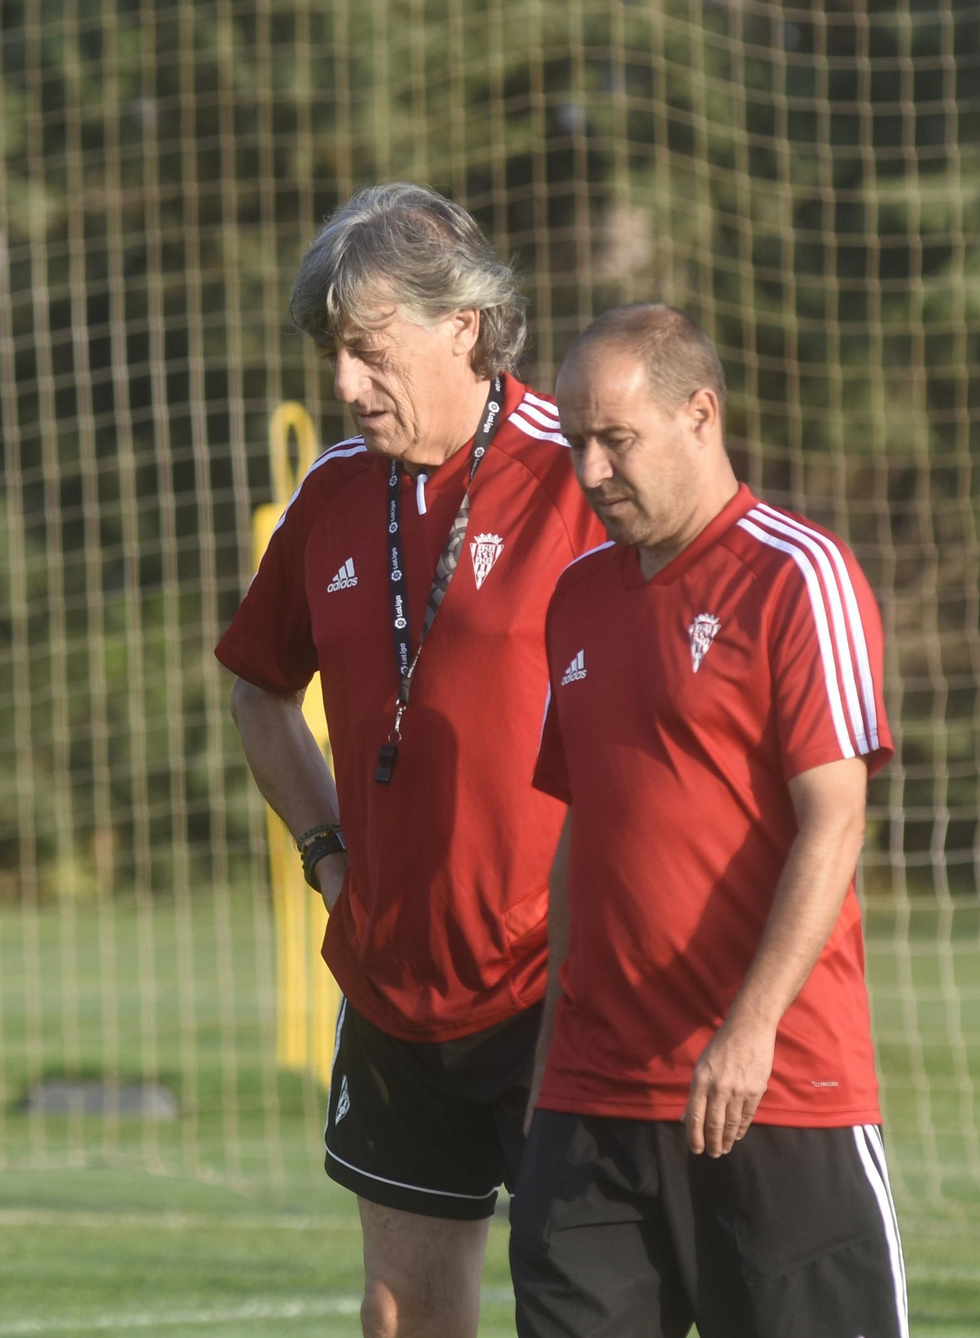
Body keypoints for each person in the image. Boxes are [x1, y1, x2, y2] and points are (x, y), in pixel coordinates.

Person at [215, 183, 605, 1338]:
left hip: (554, 986)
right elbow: (258, 691)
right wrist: (326, 852)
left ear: (464, 329)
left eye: (365, 350)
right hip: (391, 987)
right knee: (400, 1319)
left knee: (584, 1310)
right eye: (333, 353)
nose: (342, 382)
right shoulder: (334, 494)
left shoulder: (579, 479)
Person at [509, 303, 907, 1338]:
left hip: (771, 1093)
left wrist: (750, 1028)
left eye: (616, 440)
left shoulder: (794, 574)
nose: (591, 472)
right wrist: (551, 1041)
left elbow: (835, 821)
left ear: (700, 415)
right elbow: (582, 836)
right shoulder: (575, 597)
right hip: (590, 1102)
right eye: (575, 443)